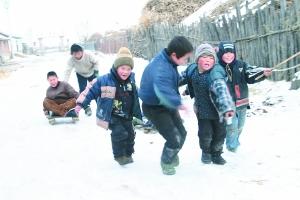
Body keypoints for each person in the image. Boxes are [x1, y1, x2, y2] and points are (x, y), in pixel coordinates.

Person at [75, 47, 142, 165]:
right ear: (116, 67)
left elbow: (138, 95)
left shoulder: (131, 82)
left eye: (128, 69)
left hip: (126, 115)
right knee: (120, 133)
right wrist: (80, 103)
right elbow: (89, 90)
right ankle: (119, 156)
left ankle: (128, 153)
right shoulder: (105, 80)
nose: (125, 72)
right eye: (122, 68)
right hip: (111, 115)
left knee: (130, 134)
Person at [139, 36, 193, 175]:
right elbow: (162, 89)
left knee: (182, 133)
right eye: (186, 58)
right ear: (174, 55)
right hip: (154, 108)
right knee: (174, 138)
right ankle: (166, 162)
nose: (187, 61)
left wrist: (186, 78)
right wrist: (179, 103)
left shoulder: (169, 62)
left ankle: (172, 153)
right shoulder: (161, 67)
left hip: (166, 104)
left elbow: (172, 80)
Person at [181, 43, 235, 165]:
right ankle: (206, 152)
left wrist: (227, 107)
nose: (208, 60)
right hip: (202, 110)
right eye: (204, 57)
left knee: (220, 134)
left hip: (218, 111)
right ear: (197, 59)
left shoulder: (215, 73)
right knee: (205, 134)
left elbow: (221, 90)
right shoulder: (192, 70)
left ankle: (216, 153)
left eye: (211, 57)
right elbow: (180, 79)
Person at [216, 41, 272, 152]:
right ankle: (232, 147)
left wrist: (262, 73)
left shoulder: (241, 65)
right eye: (225, 53)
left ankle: (234, 141)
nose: (228, 55)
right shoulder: (217, 68)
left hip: (242, 101)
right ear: (220, 53)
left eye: (231, 52)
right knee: (232, 125)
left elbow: (250, 74)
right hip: (227, 104)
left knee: (240, 126)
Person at [64, 43, 100, 116]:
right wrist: (64, 83)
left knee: (96, 89)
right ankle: (86, 107)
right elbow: (67, 71)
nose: (77, 54)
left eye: (78, 52)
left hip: (91, 72)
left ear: (82, 51)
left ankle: (100, 106)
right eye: (74, 53)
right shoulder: (71, 60)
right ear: (72, 54)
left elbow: (96, 62)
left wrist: (96, 72)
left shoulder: (88, 55)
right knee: (83, 90)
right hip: (80, 74)